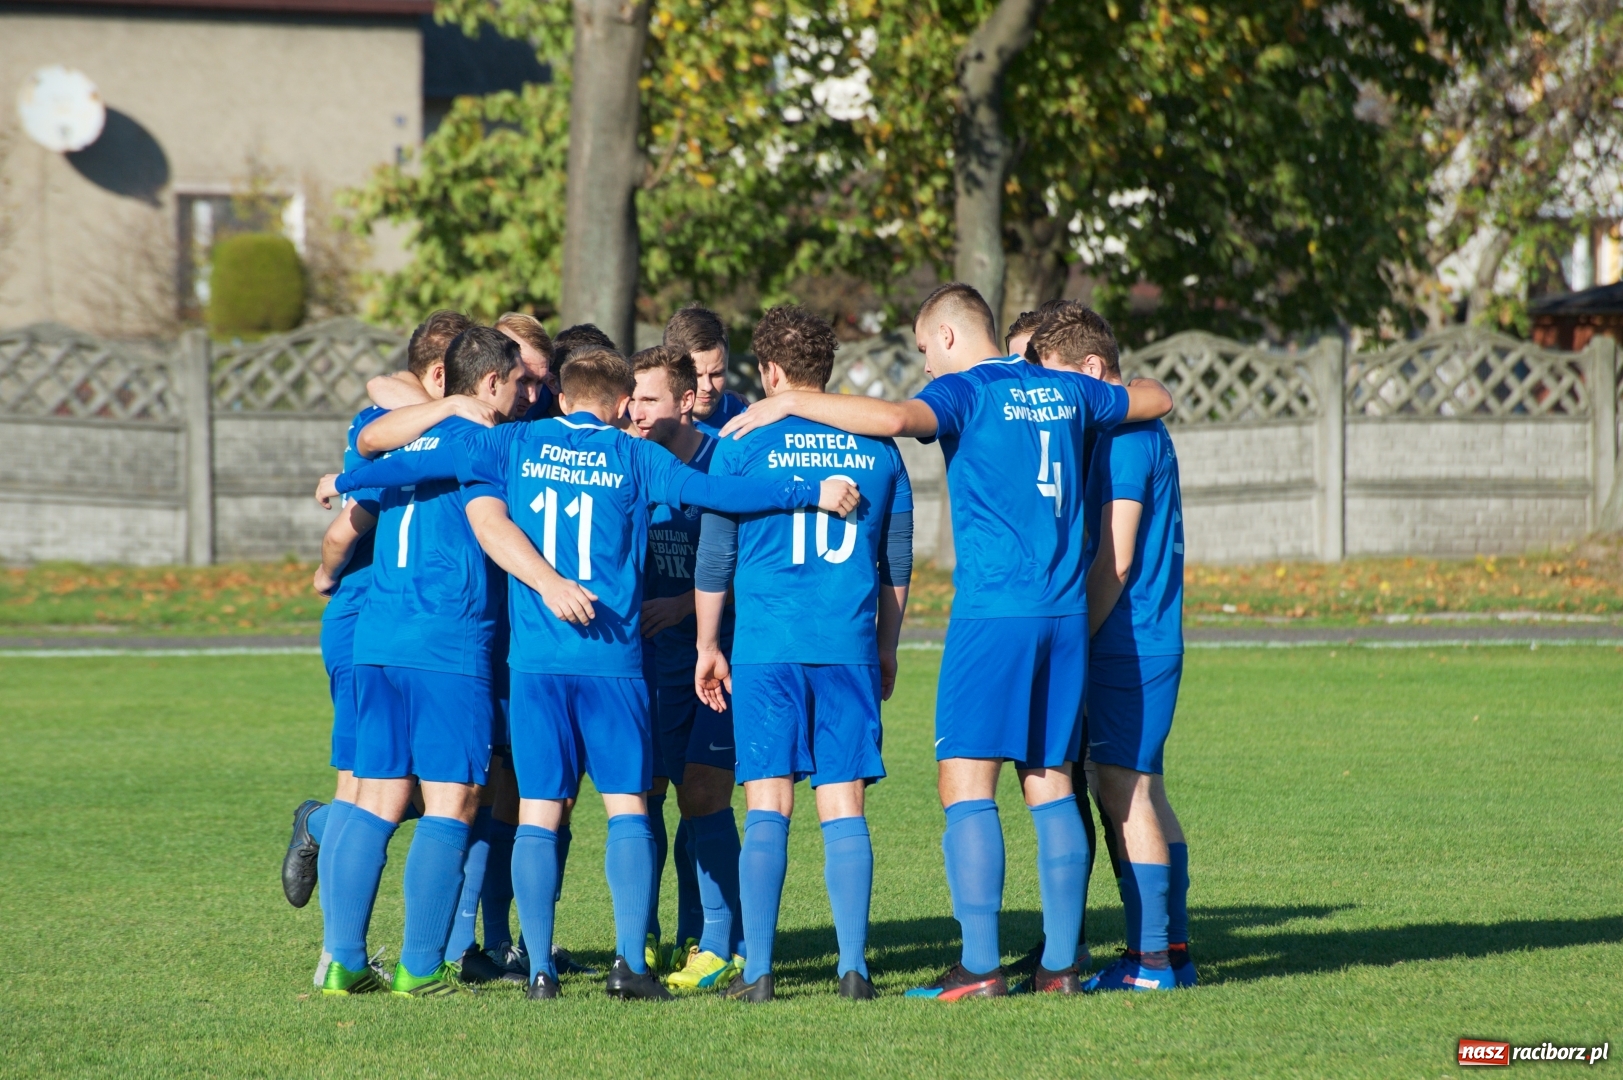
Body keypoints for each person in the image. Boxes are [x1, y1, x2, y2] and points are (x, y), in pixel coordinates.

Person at [321, 347, 860, 1001]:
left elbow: (427, 460)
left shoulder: (515, 442)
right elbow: (720, 493)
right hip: (611, 662)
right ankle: (629, 964)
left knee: (539, 812)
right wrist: (809, 491)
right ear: (618, 404)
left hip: (535, 666)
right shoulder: (634, 455)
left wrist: (346, 484)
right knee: (628, 807)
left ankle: (540, 970)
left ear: (566, 395)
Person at [717, 282, 1173, 999]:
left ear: (952, 338)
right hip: (1062, 617)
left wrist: (789, 402)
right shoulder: (1064, 390)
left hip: (994, 613)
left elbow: (896, 417)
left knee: (964, 779)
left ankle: (981, 967)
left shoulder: (968, 392)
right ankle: (1058, 968)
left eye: (927, 350)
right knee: (1049, 779)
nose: (928, 365)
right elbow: (1155, 397)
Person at [695, 305, 913, 1002]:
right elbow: (895, 558)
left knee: (767, 804)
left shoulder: (740, 442)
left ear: (770, 371)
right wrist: (885, 645)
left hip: (766, 647)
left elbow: (715, 555)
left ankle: (757, 972)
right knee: (843, 803)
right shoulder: (878, 449)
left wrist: (706, 643)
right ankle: (853, 968)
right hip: (844, 644)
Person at [315, 326, 523, 998]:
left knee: (374, 797)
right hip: (447, 640)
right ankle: (421, 965)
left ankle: (343, 961)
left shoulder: (406, 434)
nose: (526, 396)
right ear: (490, 383)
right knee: (453, 799)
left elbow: (370, 454)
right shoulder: (490, 441)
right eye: (519, 383)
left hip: (378, 637)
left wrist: (343, 478)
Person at [1031, 305, 1195, 992]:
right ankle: (1171, 950)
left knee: (1124, 795)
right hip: (1144, 641)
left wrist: (1076, 637)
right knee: (1145, 793)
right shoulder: (1127, 428)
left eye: (1060, 383)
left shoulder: (1125, 438)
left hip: (1128, 644)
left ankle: (1151, 961)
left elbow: (1117, 560)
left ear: (1093, 373)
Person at [627, 345, 746, 990]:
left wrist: (685, 606)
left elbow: (749, 562)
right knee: (642, 804)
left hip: (712, 663)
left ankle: (716, 939)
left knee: (702, 798)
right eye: (632, 400)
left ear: (684, 400)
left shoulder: (720, 460)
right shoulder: (625, 459)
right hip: (642, 668)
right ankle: (645, 934)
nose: (636, 412)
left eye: (648, 399)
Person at [663, 306, 748, 436]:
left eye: (716, 374)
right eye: (696, 375)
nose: (707, 387)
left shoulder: (747, 421)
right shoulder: (639, 418)